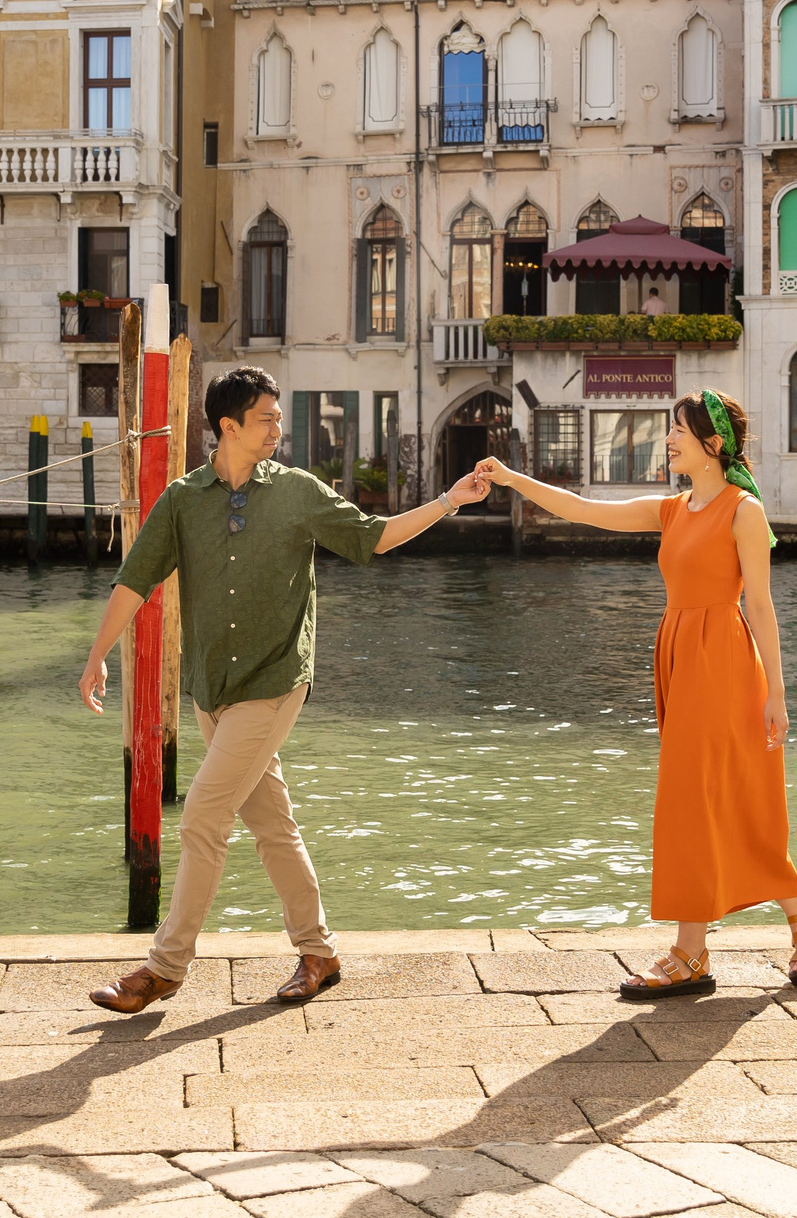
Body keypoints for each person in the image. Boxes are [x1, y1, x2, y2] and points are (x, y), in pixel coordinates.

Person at [78, 367, 493, 1011]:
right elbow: (136, 579)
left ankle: (164, 968)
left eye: (277, 417)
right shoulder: (184, 500)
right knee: (272, 824)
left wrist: (448, 501)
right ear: (228, 426)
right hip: (212, 686)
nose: (278, 428)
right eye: (266, 418)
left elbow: (373, 536)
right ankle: (319, 952)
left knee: (203, 815)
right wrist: (97, 655)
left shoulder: (298, 492)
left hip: (275, 680)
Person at [475, 390, 797, 996]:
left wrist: (777, 694)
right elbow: (582, 509)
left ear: (712, 445)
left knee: (703, 800)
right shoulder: (672, 510)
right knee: (698, 801)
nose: (668, 439)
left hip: (722, 661)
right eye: (670, 429)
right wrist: (514, 479)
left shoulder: (743, 511)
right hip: (679, 655)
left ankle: (694, 952)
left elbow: (763, 606)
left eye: (678, 430)